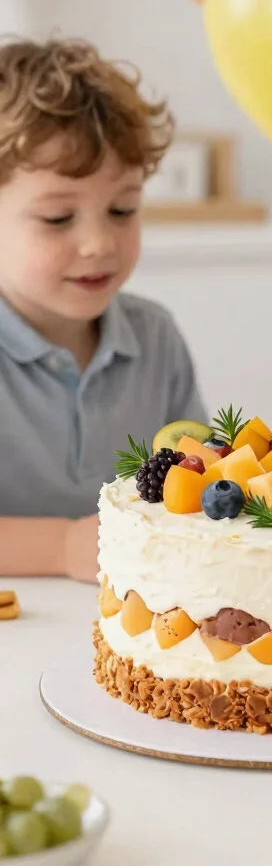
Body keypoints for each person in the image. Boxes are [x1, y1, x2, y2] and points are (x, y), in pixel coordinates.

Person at [0, 39, 206, 582]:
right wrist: (63, 547)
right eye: (57, 218)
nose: (98, 243)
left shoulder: (154, 337)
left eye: (122, 209)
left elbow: (198, 484)